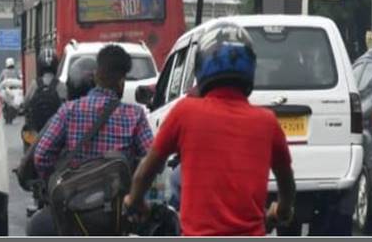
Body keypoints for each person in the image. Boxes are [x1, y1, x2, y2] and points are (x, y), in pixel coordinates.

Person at [124, 22, 297, 237]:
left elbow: (146, 172)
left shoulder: (185, 111)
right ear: (250, 68)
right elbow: (287, 186)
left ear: (201, 67)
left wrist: (134, 201)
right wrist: (280, 211)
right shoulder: (267, 122)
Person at [25, 45, 153, 236]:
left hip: (72, 212)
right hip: (119, 216)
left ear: (96, 76)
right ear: (121, 81)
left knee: (37, 226)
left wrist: (58, 184)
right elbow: (152, 161)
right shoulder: (135, 115)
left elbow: (41, 156)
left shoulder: (69, 111)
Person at [23, 49, 62, 134]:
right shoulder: (61, 85)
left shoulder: (34, 84)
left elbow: (25, 103)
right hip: (57, 130)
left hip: (37, 131)